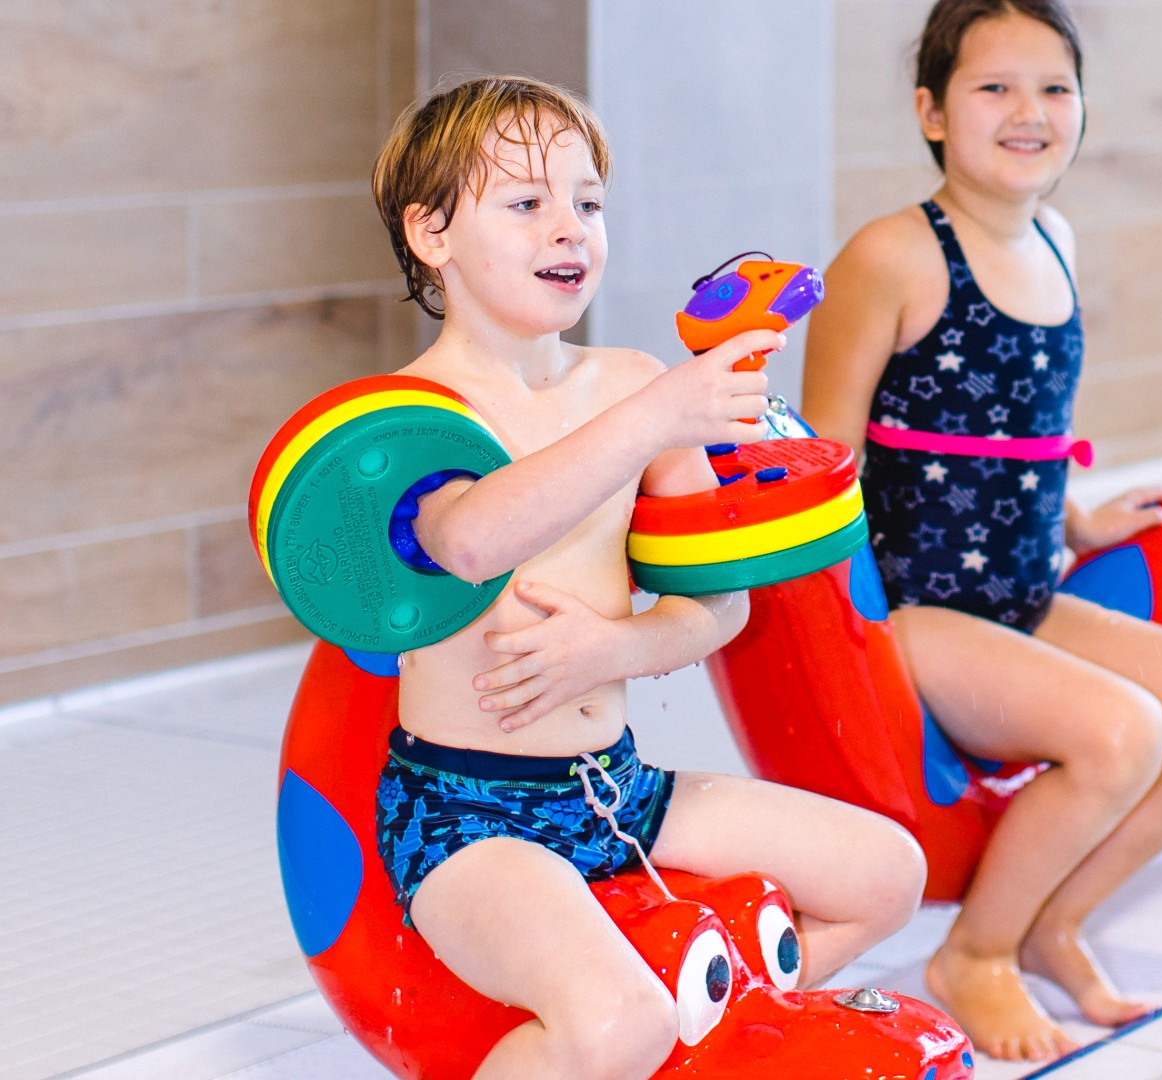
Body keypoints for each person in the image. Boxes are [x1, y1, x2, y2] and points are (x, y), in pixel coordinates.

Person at [368, 76, 927, 1080]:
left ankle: (716, 1047)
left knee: (889, 874)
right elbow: (466, 539)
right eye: (526, 203)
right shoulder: (402, 418)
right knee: (621, 1022)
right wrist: (659, 417)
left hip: (616, 786)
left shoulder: (628, 382)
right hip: (466, 814)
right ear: (432, 233)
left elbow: (717, 604)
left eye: (588, 203)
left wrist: (616, 646)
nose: (569, 229)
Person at [802, 0, 1162, 1062]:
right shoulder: (892, 255)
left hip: (1021, 593)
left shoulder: (1055, 239)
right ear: (931, 112)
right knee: (1124, 734)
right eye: (994, 88)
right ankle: (974, 955)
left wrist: (1078, 515)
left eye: (1054, 89)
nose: (1030, 112)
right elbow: (822, 462)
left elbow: (1024, 421)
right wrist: (846, 648)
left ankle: (1055, 919)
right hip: (917, 610)